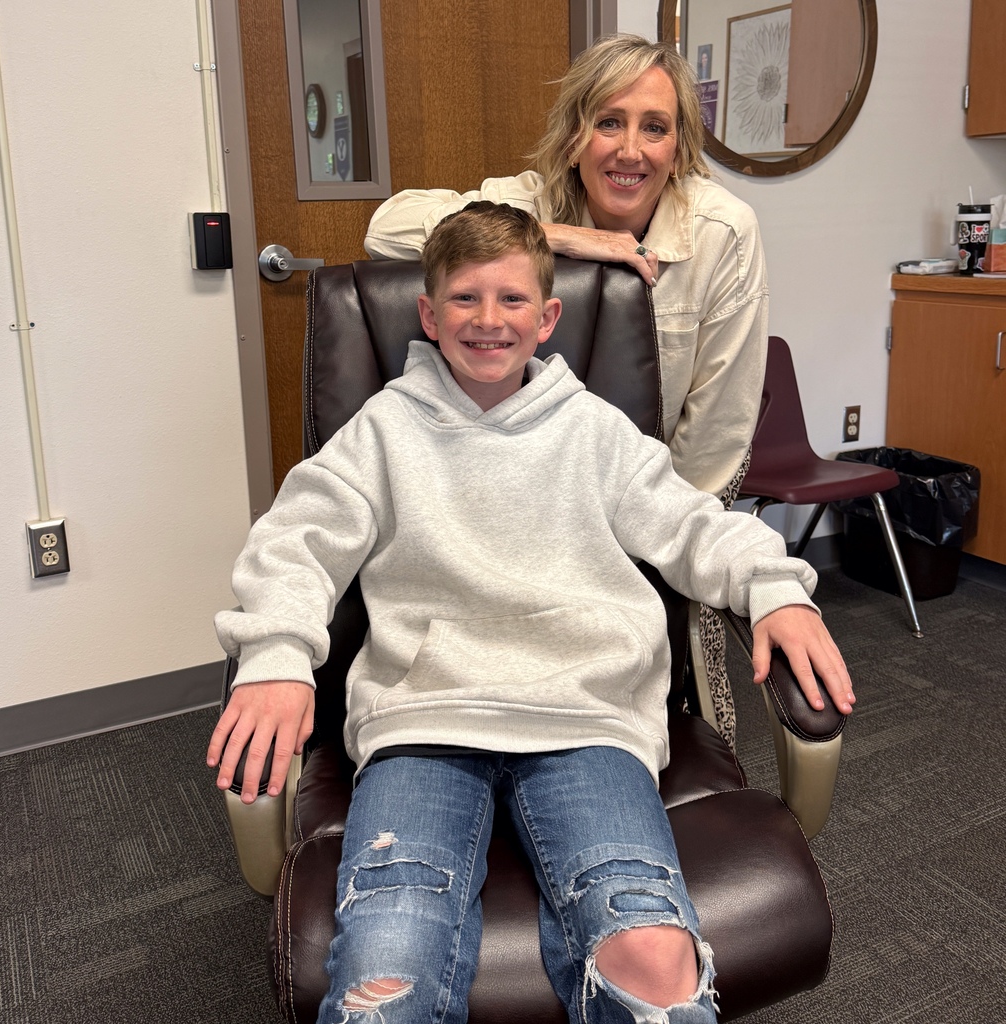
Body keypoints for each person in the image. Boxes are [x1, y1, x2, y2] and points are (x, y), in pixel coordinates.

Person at [208, 203, 853, 1024]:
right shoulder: (382, 431)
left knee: (653, 958)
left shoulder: (594, 432)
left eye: (512, 300)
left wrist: (774, 590)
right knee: (384, 978)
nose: (488, 320)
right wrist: (274, 656)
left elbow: (694, 527)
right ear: (429, 315)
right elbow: (297, 542)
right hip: (426, 721)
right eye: (466, 300)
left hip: (584, 715)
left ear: (548, 318)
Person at [364, 34, 767, 750]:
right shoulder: (525, 202)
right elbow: (383, 230)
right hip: (525, 504)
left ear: (680, 145)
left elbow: (718, 428)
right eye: (609, 122)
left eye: (656, 127)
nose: (630, 151)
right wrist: (552, 238)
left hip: (658, 492)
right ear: (576, 131)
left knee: (679, 698)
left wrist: (649, 531)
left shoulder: (721, 231)